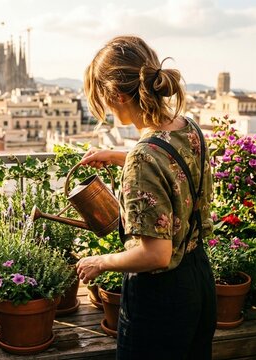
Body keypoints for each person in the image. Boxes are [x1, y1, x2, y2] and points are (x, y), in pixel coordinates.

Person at [75, 35, 216, 359]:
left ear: (116, 94)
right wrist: (120, 155)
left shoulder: (144, 158)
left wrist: (99, 261)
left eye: (102, 99)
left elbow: (156, 255)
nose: (105, 108)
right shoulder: (189, 127)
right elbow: (174, 167)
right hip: (199, 281)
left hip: (160, 301)